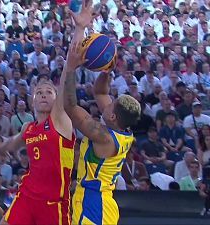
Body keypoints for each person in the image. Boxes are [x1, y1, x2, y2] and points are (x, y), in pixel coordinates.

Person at [62, 3, 141, 225]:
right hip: (102, 202)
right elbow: (100, 91)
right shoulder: (119, 129)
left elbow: (70, 107)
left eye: (110, 105)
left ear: (113, 116)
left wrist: (70, 68)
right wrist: (108, 69)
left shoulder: (104, 136)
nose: (105, 103)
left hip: (93, 205)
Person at [0, 36, 75, 225]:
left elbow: (64, 85)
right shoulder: (28, 128)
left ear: (55, 98)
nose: (43, 95)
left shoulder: (59, 121)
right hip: (28, 194)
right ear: (33, 100)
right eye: (39, 92)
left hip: (53, 202)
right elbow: (12, 144)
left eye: (49, 92)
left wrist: (70, 61)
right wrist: (2, 149)